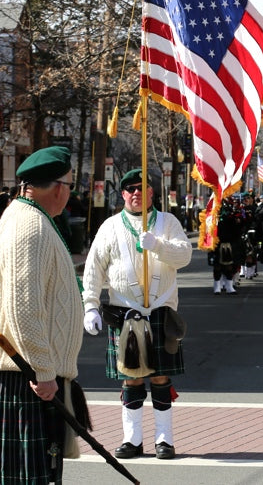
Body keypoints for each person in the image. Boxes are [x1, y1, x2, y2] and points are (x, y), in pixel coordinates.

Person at [0, 146, 86, 485]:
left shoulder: (30, 219)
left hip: (24, 375)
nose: (70, 195)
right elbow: (23, 307)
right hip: (23, 378)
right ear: (59, 187)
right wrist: (44, 371)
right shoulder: (29, 227)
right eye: (71, 187)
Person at [81, 168, 192, 460]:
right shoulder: (110, 226)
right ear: (123, 194)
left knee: (160, 377)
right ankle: (132, 440)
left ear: (151, 192)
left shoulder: (168, 222)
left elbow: (184, 256)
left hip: (161, 313)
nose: (136, 193)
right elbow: (94, 268)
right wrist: (90, 305)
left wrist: (158, 245)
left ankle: (164, 440)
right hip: (125, 314)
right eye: (130, 189)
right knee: (130, 379)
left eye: (141, 188)